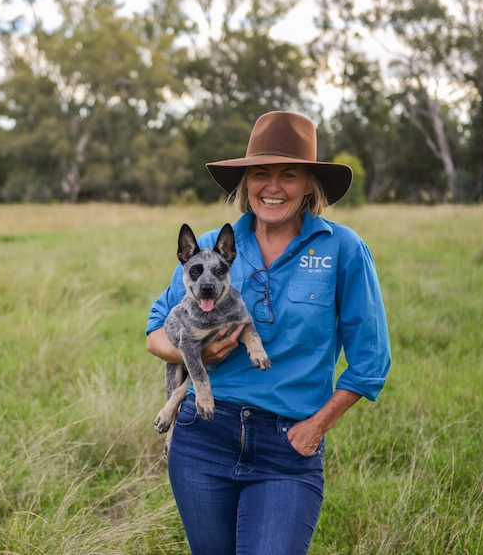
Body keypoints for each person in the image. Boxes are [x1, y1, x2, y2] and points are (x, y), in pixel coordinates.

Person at [146, 111, 392, 555]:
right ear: (245, 182)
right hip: (204, 438)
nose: (272, 187)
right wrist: (195, 354)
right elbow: (156, 334)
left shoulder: (343, 249)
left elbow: (371, 362)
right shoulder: (208, 249)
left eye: (289, 174)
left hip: (288, 446)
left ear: (309, 185)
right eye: (261, 173)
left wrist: (316, 427)